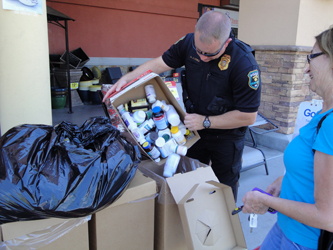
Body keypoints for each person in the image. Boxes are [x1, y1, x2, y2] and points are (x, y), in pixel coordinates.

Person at [102, 10, 261, 200]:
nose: (202, 58)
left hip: (226, 136)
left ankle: (222, 227)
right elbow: (159, 64)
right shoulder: (188, 42)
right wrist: (127, 78)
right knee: (189, 180)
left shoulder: (244, 65)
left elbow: (248, 115)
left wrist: (206, 122)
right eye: (199, 51)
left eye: (210, 54)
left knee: (223, 188)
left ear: (226, 43)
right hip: (193, 129)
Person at [241, 26, 333, 250]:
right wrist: (282, 183)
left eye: (311, 57)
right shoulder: (324, 113)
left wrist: (266, 201)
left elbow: (327, 216)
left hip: (304, 241)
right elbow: (311, 170)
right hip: (286, 229)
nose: (306, 68)